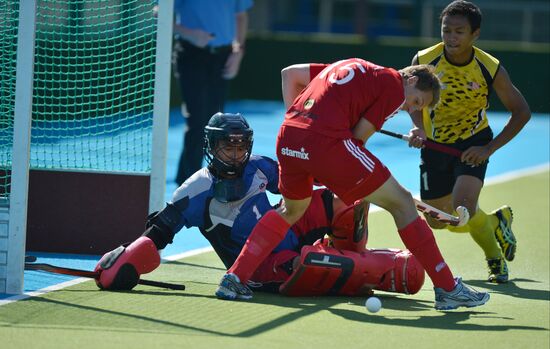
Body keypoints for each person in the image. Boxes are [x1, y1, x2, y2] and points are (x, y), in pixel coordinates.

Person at [216, 58, 491, 311]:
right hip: (327, 143)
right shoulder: (394, 86)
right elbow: (358, 138)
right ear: (410, 80)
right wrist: (328, 159)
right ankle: (447, 288)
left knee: (291, 211)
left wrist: (310, 136)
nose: (411, 109)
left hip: (289, 135)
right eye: (417, 102)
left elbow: (290, 75)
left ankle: (234, 278)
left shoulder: (346, 66)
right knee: (403, 202)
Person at [92, 112, 426, 298]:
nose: (235, 155)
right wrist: (124, 263)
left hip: (289, 229)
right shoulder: (196, 190)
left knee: (346, 202)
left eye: (240, 147)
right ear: (211, 147)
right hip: (265, 266)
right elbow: (158, 233)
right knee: (406, 274)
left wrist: (370, 187)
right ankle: (367, 268)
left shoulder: (261, 165)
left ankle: (354, 258)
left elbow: (308, 185)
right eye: (227, 147)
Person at [407, 1, 531, 284]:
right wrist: (418, 129)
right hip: (435, 145)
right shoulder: (425, 61)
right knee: (439, 220)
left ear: (475, 34)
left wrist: (487, 149)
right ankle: (495, 222)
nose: (451, 37)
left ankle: (495, 260)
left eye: (459, 32)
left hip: (473, 144)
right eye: (446, 30)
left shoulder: (489, 68)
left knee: (463, 207)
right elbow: (411, 101)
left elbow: (521, 112)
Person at [172, 0, 253, 185]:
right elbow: (158, 14)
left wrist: (238, 52)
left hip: (223, 56)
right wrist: (190, 34)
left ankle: (218, 181)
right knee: (197, 121)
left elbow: (241, 16)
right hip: (191, 54)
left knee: (217, 123)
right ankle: (187, 185)